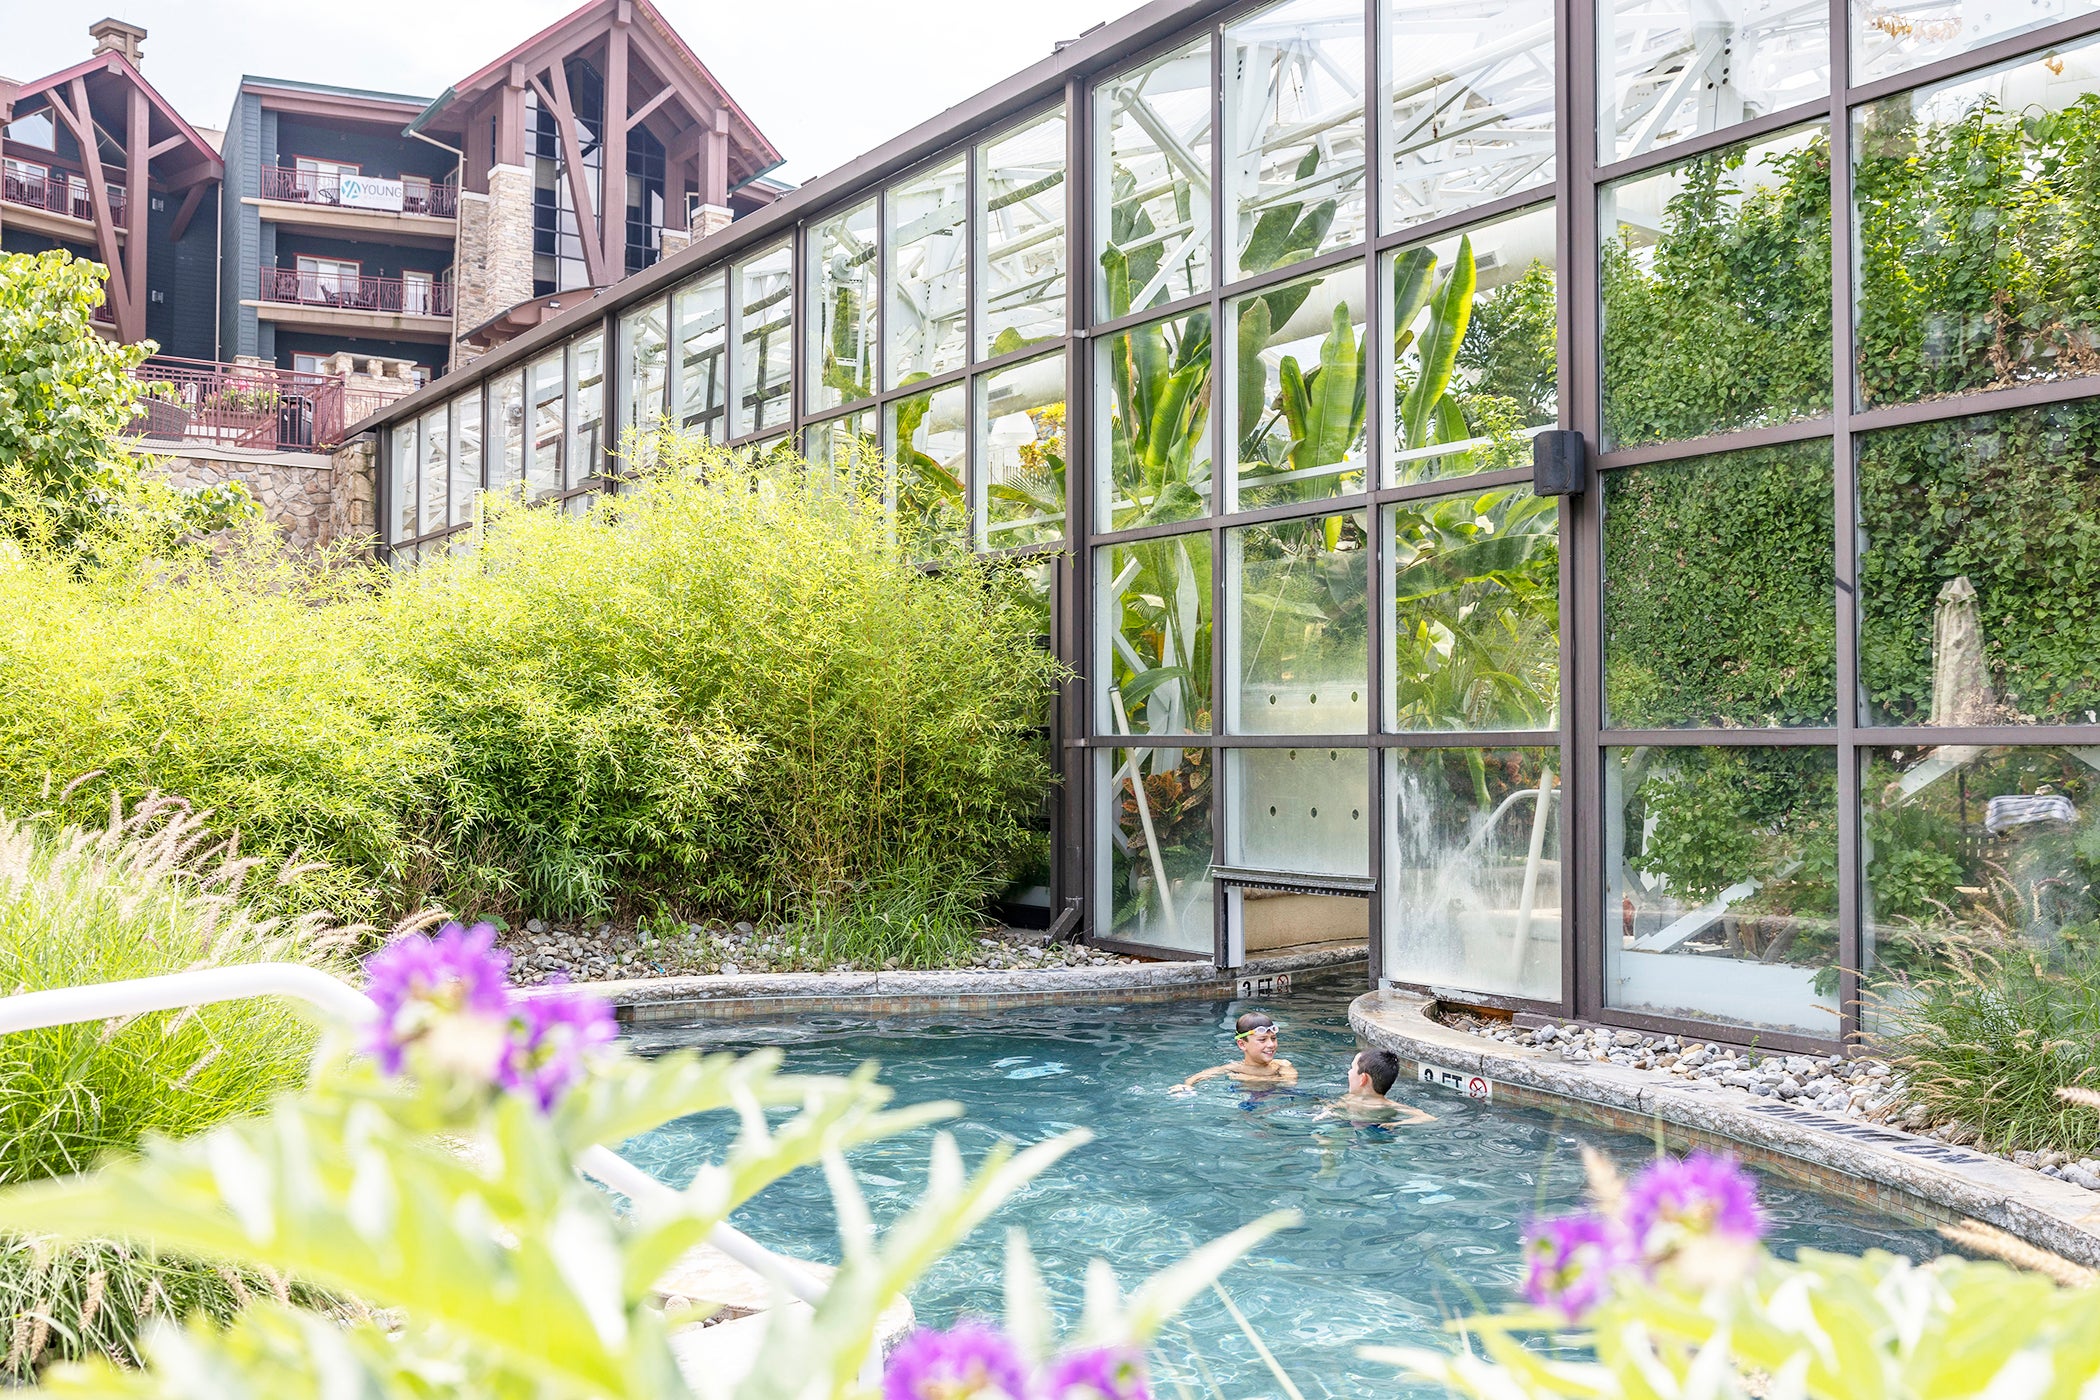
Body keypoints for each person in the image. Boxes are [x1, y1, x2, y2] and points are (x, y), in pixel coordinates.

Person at [1172, 1011, 1297, 1092]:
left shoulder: (1282, 1065)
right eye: (1262, 1040)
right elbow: (1198, 1077)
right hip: (1248, 1101)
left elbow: (1289, 1085)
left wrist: (1249, 1079)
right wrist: (1187, 1086)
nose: (1271, 1044)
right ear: (1242, 1044)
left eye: (1273, 1038)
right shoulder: (1234, 1068)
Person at [1328, 1049, 1435, 1125]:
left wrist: (1398, 1124)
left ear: (1363, 1079)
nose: (1349, 1072)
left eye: (1352, 1068)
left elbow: (1428, 1118)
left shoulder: (1389, 1105)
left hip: (1377, 1129)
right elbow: (1337, 1105)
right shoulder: (1349, 1098)